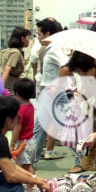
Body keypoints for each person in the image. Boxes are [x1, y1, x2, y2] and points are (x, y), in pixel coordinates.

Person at [32, 18, 67, 162]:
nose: (38, 37)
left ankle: (82, 158)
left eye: (39, 34)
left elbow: (67, 67)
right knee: (39, 129)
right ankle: (30, 160)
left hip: (53, 93)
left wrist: (57, 86)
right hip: (49, 92)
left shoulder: (54, 50)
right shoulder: (50, 49)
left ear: (47, 34)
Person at [8, 77, 38, 192]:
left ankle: (32, 188)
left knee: (26, 166)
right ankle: (30, 186)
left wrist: (12, 144)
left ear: (17, 94)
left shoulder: (20, 110)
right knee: (26, 164)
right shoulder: (30, 106)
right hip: (30, 140)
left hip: (23, 142)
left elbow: (17, 128)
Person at [1, 27, 30, 95]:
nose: (29, 40)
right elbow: (6, 69)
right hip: (9, 90)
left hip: (13, 89)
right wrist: (0, 89)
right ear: (22, 38)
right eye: (28, 38)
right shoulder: (16, 53)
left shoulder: (15, 51)